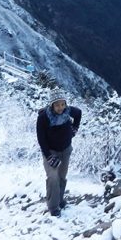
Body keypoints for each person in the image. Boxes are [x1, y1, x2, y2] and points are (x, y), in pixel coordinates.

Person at [36, 87, 82, 216]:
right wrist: (49, 156)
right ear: (52, 105)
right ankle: (53, 207)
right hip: (51, 151)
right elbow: (41, 139)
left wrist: (74, 129)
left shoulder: (68, 111)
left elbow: (78, 113)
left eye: (62, 104)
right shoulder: (44, 117)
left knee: (62, 177)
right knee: (53, 177)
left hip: (66, 150)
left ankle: (60, 200)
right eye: (57, 105)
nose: (60, 107)